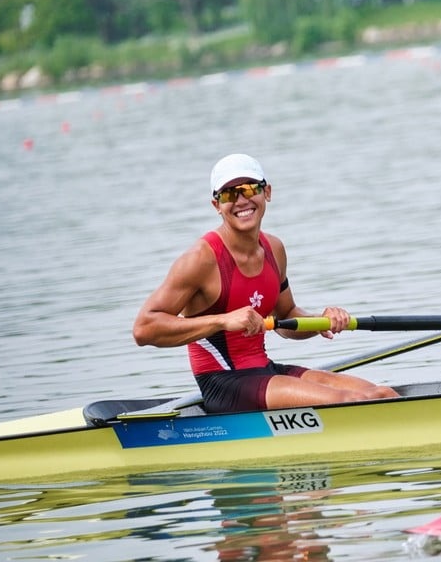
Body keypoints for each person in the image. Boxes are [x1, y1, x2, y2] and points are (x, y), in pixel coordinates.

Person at [133, 153, 398, 412]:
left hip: (265, 370)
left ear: (267, 192)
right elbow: (144, 329)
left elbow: (286, 318)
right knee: (351, 403)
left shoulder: (274, 249)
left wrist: (322, 321)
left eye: (249, 189)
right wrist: (221, 321)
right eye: (228, 194)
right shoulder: (201, 260)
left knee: (382, 394)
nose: (240, 200)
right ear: (217, 206)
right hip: (225, 384)